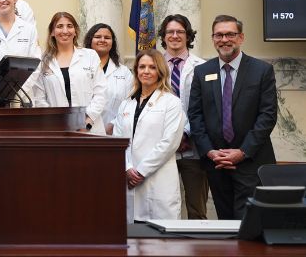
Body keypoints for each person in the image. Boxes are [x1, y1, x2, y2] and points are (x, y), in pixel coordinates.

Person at [189, 14, 277, 220]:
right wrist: (210, 151)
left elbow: (268, 115)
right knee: (225, 221)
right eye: (219, 35)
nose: (224, 39)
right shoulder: (202, 71)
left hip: (251, 161)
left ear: (241, 37)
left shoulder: (262, 70)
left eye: (230, 34)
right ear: (213, 38)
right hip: (216, 162)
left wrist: (243, 151)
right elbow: (195, 115)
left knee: (249, 223)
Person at [113, 49, 184, 222]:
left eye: (152, 67)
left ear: (160, 71)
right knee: (132, 237)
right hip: (129, 176)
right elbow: (117, 139)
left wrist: (141, 171)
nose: (146, 71)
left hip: (157, 179)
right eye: (142, 67)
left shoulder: (171, 102)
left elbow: (169, 143)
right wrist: (127, 167)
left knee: (160, 240)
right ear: (136, 70)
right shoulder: (126, 104)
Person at [157, 14, 208, 219]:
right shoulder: (152, 65)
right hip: (161, 146)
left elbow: (206, 108)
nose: (175, 36)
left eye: (180, 32)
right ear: (164, 36)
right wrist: (172, 138)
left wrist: (185, 135)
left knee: (196, 209)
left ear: (188, 36)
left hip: (193, 147)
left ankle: (198, 250)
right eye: (170, 32)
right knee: (162, 208)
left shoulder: (203, 67)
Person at [29, 12, 107, 133]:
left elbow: (100, 93)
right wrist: (56, 122)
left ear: (75, 31)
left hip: (90, 128)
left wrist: (87, 122)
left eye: (69, 26)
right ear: (52, 32)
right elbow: (39, 99)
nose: (65, 31)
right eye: (59, 26)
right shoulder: (42, 61)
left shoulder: (90, 56)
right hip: (57, 129)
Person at [83, 23, 132, 133]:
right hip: (84, 130)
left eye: (107, 38)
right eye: (97, 37)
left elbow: (130, 104)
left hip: (114, 132)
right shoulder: (79, 69)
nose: (102, 40)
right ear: (90, 40)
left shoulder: (124, 72)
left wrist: (113, 125)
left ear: (112, 43)